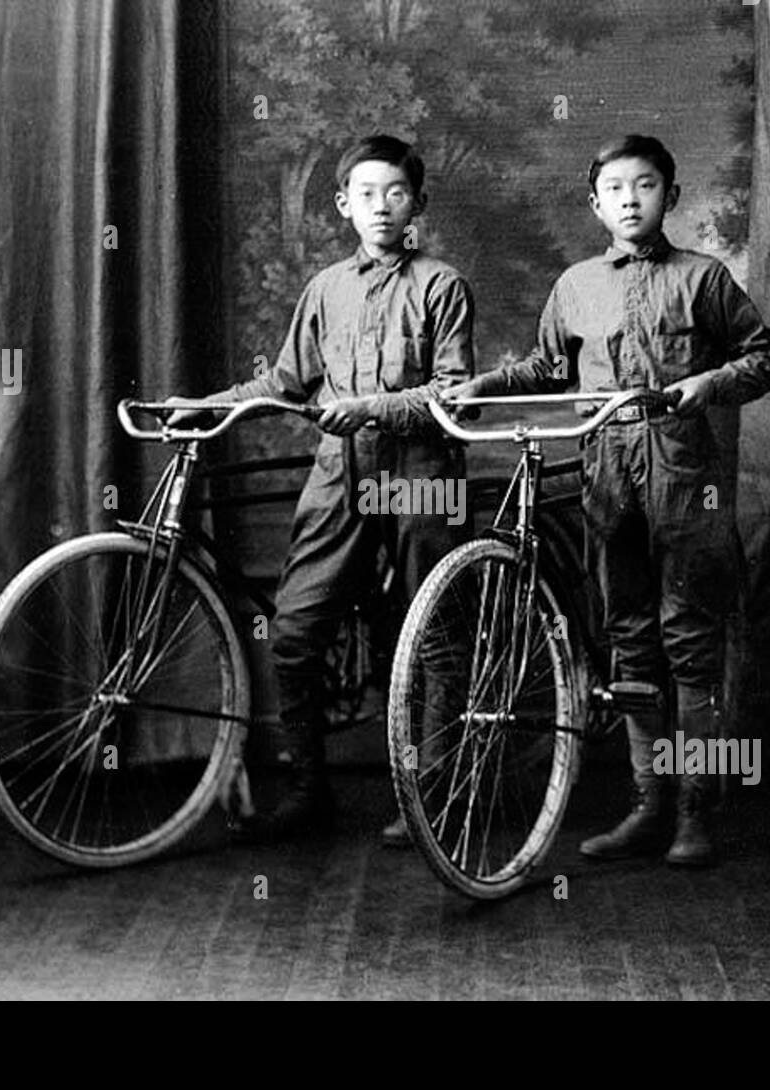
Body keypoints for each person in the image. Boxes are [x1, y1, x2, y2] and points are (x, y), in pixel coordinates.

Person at [444, 135, 770, 866]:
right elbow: (543, 365)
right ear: (594, 204)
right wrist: (486, 386)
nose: (631, 200)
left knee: (689, 645)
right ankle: (645, 807)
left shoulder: (705, 277)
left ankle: (695, 815)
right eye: (616, 189)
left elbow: (765, 358)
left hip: (686, 479)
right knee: (629, 638)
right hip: (607, 475)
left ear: (672, 196)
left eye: (647, 184)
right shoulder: (575, 286)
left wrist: (708, 385)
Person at [170, 134, 475, 844]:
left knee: (429, 636)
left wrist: (371, 407)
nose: (380, 207)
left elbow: (454, 394)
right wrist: (205, 405)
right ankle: (310, 792)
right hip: (340, 475)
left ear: (418, 204)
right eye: (365, 194)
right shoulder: (325, 290)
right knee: (296, 631)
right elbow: (282, 384)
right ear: (342, 205)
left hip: (420, 475)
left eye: (395, 194)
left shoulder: (441, 285)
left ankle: (431, 800)